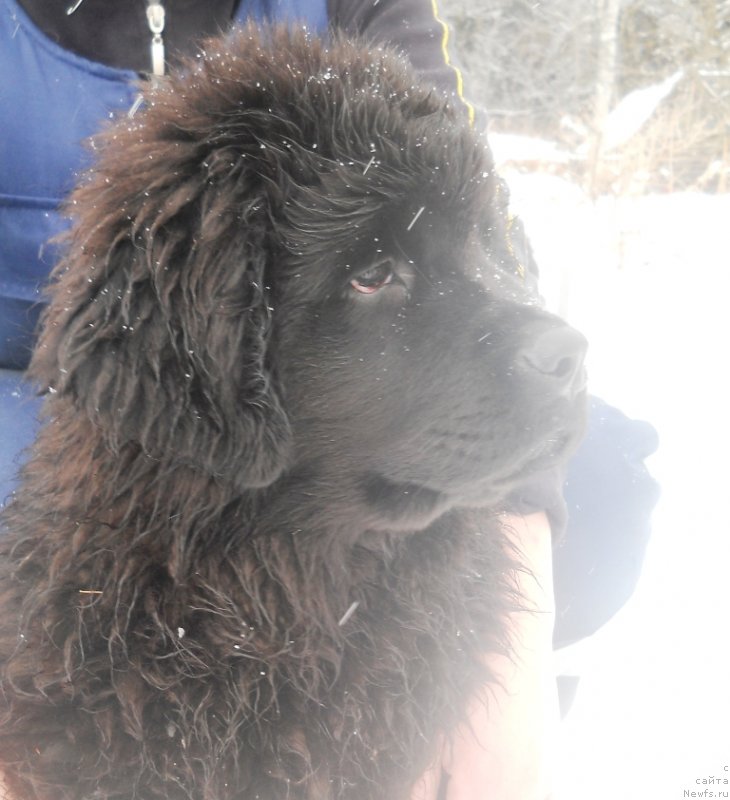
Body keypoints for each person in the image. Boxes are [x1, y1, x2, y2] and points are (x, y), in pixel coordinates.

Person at [0, 1, 658, 798]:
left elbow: (469, 206)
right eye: (376, 274)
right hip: (100, 413)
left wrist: (507, 652)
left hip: (321, 483)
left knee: (607, 494)